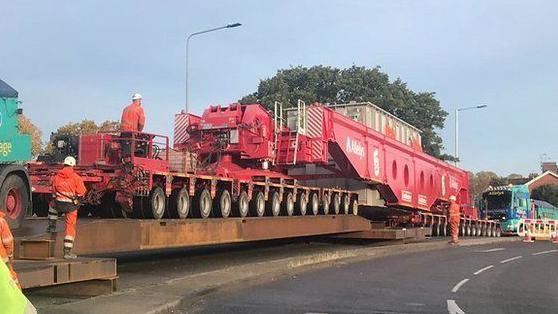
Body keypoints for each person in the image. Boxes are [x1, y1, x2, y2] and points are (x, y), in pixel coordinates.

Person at [47, 156, 86, 259]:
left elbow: (53, 191)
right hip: (71, 206)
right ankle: (67, 252)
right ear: (73, 165)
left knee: (52, 206)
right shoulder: (76, 178)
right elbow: (81, 192)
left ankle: (52, 226)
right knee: (70, 228)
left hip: (59, 203)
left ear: (64, 164)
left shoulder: (56, 177)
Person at [0, 211, 19, 288]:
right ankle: (18, 298)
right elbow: (8, 241)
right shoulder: (1, 221)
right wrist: (10, 256)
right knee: (11, 280)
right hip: (2, 260)